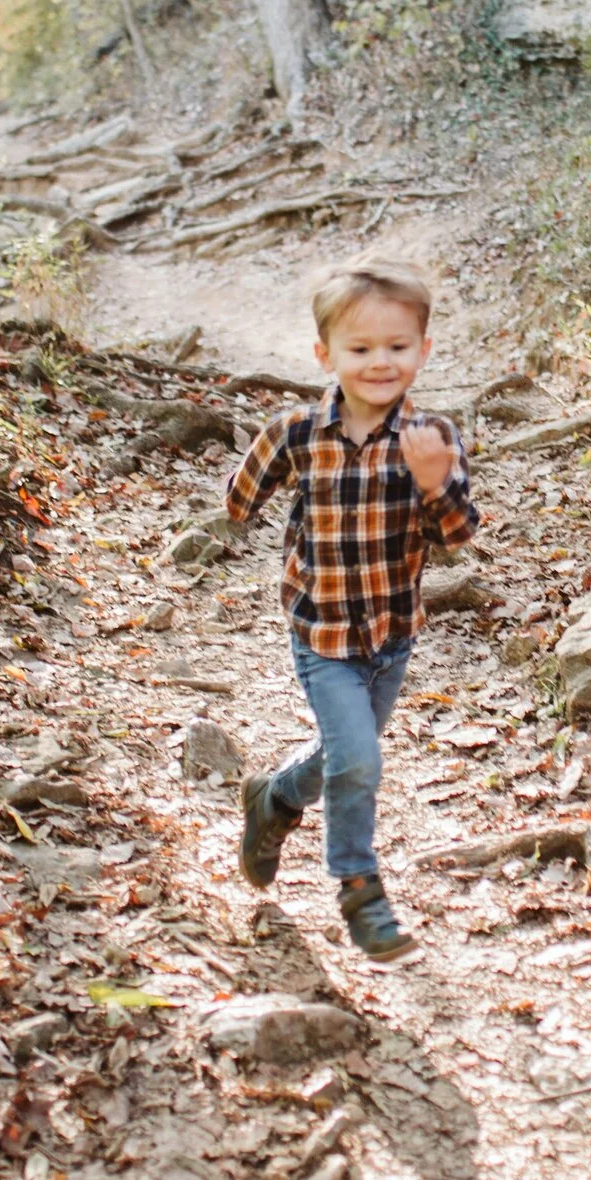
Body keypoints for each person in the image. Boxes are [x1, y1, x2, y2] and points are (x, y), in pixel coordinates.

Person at [222, 258, 480, 962]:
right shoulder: (298, 432)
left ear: (423, 353)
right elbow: (239, 501)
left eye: (397, 347)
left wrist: (435, 484)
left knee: (345, 757)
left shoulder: (432, 439)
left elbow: (456, 539)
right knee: (360, 761)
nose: (379, 362)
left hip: (393, 634)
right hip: (323, 631)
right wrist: (256, 479)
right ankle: (360, 891)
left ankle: (273, 799)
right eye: (359, 349)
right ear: (325, 354)